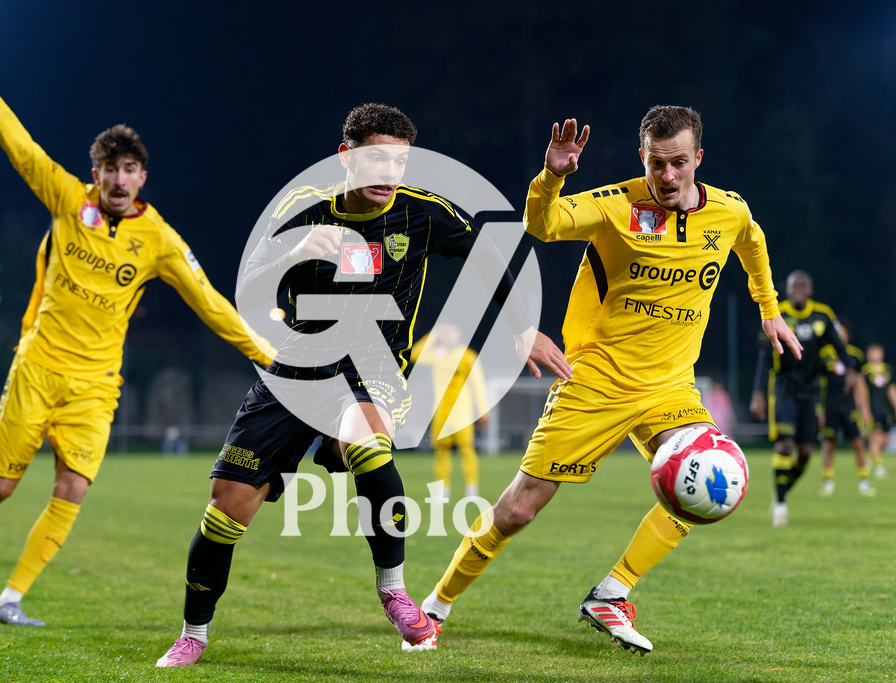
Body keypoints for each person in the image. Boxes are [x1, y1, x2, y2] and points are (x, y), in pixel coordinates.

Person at [155, 103, 571, 667]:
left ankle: (393, 589)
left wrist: (522, 328)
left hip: (370, 375)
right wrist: (295, 252)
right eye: (376, 159)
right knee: (225, 513)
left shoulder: (423, 214)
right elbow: (249, 288)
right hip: (293, 376)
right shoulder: (304, 210)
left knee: (369, 444)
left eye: (399, 162)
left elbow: (488, 257)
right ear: (346, 157)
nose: (388, 173)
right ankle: (193, 635)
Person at [0, 19, 275, 627]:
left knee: (72, 487)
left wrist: (263, 354)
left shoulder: (159, 239)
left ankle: (9, 599)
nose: (120, 179)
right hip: (39, 366)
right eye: (110, 168)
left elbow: (208, 301)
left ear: (143, 177)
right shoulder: (66, 200)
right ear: (96, 173)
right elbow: (21, 148)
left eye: (130, 169)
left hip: (96, 385)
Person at [410, 108, 802, 656]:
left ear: (698, 159)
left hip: (669, 386)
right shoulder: (615, 205)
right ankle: (436, 604)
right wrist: (552, 177)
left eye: (679, 163)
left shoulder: (728, 211)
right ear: (642, 158)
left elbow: (751, 241)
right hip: (595, 380)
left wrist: (769, 308)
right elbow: (543, 225)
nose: (667, 175)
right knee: (518, 510)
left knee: (709, 478)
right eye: (657, 163)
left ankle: (612, 593)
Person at [749, 270, 856, 527]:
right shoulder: (776, 314)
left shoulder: (822, 316)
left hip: (811, 391)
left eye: (803, 286)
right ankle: (781, 506)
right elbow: (764, 359)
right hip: (783, 389)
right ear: (786, 290)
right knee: (785, 445)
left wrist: (851, 370)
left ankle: (781, 492)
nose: (798, 290)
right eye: (793, 286)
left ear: (810, 290)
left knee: (806, 453)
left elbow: (840, 347)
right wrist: (758, 394)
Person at [411, 322, 489, 500]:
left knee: (467, 450)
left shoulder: (468, 356)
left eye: (451, 332)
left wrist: (483, 411)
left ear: (459, 334)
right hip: (441, 412)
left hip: (462, 414)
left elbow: (478, 385)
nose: (449, 336)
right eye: (445, 333)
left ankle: (471, 489)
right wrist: (433, 333)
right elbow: (415, 355)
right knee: (441, 451)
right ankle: (443, 490)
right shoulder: (438, 353)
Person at [817, 319, 873, 496]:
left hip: (850, 407)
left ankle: (864, 481)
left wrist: (864, 408)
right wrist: (819, 409)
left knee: (858, 443)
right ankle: (828, 482)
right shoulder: (824, 354)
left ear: (848, 334)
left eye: (843, 332)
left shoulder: (855, 356)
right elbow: (818, 383)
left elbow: (860, 384)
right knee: (828, 444)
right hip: (830, 405)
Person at [862, 342, 896, 479]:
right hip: (873, 409)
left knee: (886, 439)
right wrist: (864, 409)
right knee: (876, 437)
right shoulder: (865, 372)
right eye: (872, 352)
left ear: (882, 354)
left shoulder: (887, 370)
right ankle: (878, 468)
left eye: (877, 352)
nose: (875, 355)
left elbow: (892, 390)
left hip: (886, 409)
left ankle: (868, 459)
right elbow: (861, 392)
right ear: (868, 355)